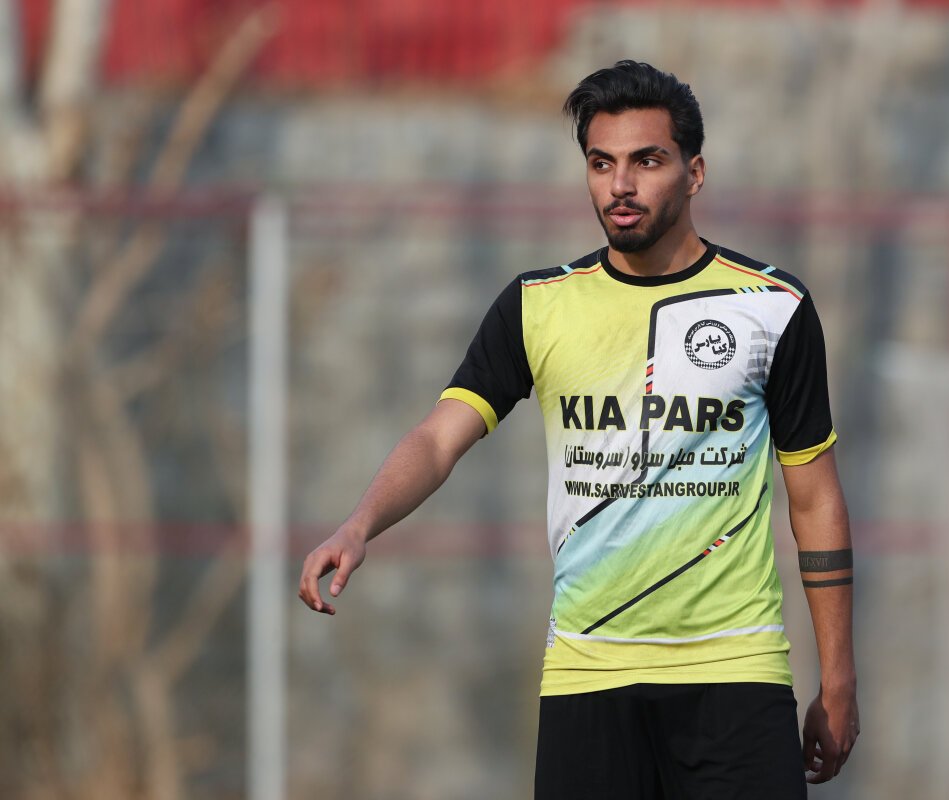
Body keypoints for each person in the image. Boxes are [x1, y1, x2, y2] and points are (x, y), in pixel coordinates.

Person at [298, 60, 858, 798]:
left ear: (694, 173)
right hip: (587, 675)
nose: (620, 185)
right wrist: (359, 523)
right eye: (601, 163)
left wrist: (838, 678)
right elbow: (438, 438)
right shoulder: (537, 304)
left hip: (735, 674)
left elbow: (814, 497)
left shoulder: (773, 307)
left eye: (646, 161)